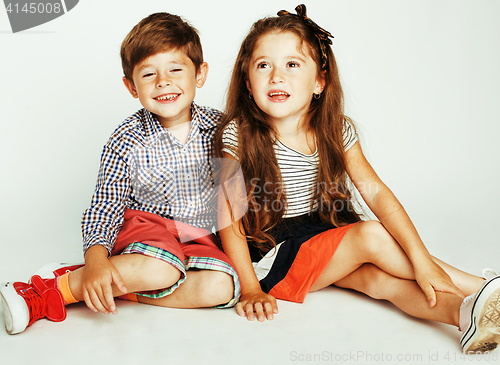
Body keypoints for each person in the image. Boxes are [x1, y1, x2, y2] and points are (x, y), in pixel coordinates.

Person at [214, 4, 500, 354]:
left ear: (320, 81)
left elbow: (377, 194)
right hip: (272, 256)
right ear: (247, 82)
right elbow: (228, 216)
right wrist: (249, 287)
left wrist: (423, 261)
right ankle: (484, 286)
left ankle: (467, 313)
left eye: (292, 64)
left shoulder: (335, 129)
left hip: (323, 235)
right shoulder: (238, 135)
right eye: (263, 65)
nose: (276, 76)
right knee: (372, 236)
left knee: (380, 282)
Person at [0, 12, 240, 335]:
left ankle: (107, 285)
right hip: (145, 232)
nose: (163, 82)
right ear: (131, 86)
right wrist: (97, 257)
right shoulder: (127, 137)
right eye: (149, 74)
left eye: (175, 69)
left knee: (222, 286)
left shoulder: (221, 128)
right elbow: (106, 204)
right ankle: (51, 289)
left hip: (194, 238)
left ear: (200, 74)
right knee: (162, 266)